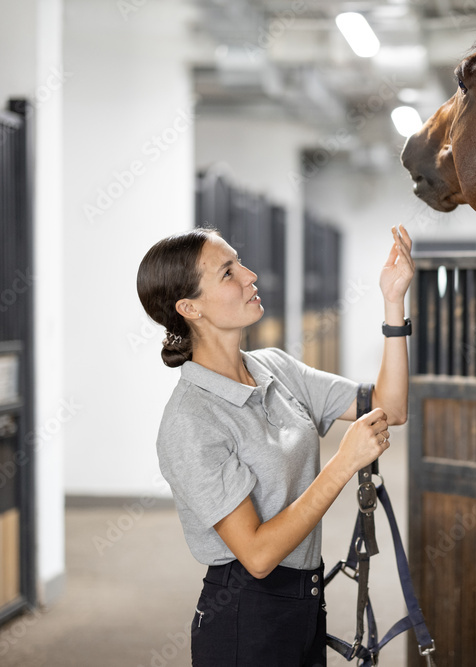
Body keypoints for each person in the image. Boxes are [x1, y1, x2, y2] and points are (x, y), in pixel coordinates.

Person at [135, 224, 414, 667]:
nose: (251, 276)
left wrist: (394, 302)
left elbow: (389, 407)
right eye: (228, 272)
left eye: (239, 262)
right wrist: (344, 464)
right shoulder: (191, 420)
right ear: (190, 307)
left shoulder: (273, 367)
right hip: (245, 614)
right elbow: (259, 555)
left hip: (306, 601)